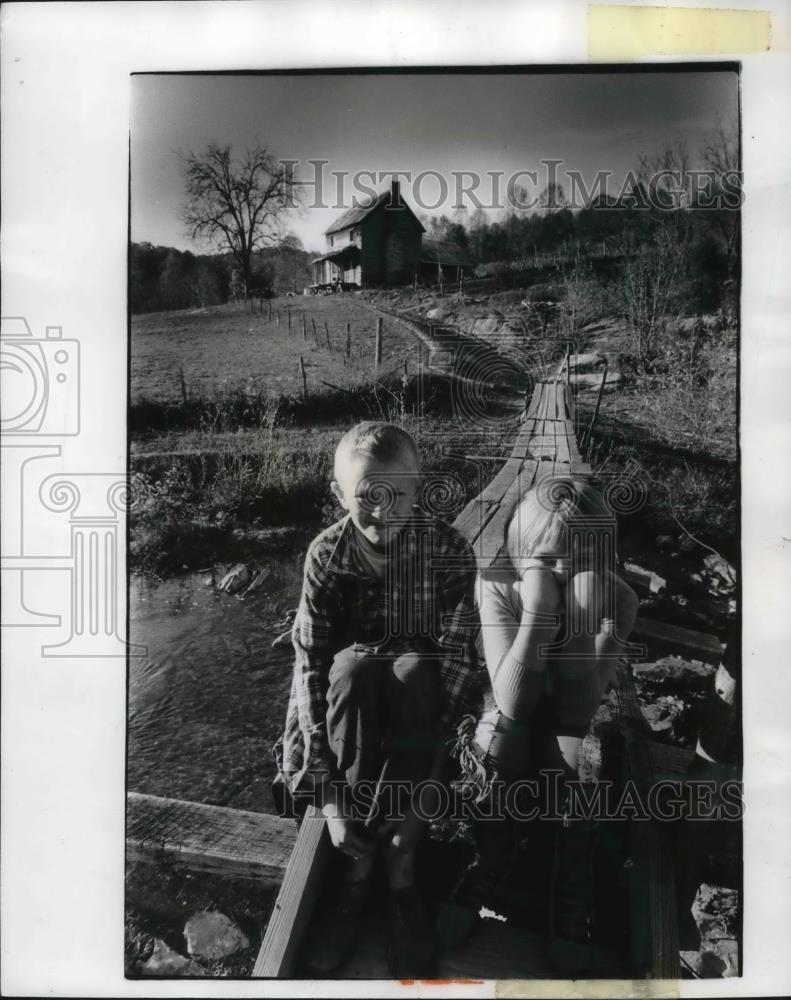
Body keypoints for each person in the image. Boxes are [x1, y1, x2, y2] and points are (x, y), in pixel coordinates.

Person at [272, 421, 479, 977]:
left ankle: (401, 865)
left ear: (419, 488)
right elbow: (310, 665)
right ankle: (356, 867)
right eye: (366, 498)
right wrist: (331, 800)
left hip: (421, 702)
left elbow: (459, 672)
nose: (383, 512)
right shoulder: (326, 555)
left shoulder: (451, 552)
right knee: (356, 667)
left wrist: (430, 790)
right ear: (340, 494)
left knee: (413, 668)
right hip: (348, 708)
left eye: (399, 495)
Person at [441, 474, 639, 973]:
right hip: (513, 714)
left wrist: (580, 616)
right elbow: (514, 702)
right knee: (500, 736)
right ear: (516, 552)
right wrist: (540, 611)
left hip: (578, 718)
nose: (563, 571)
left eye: (581, 561)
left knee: (587, 757)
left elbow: (575, 711)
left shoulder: (619, 601)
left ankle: (569, 888)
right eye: (547, 561)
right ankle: (491, 859)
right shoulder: (497, 586)